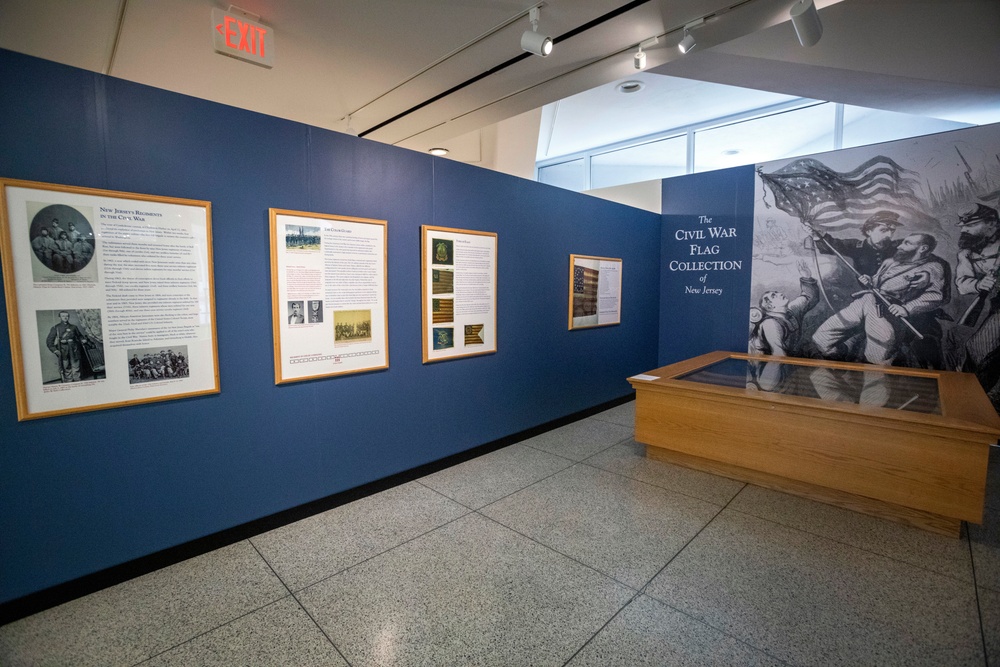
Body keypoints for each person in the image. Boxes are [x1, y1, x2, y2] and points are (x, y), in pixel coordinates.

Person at [812, 233, 948, 365]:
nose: (900, 246)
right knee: (822, 338)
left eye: (907, 243)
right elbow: (876, 281)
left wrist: (906, 309)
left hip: (887, 312)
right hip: (866, 301)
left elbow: (935, 296)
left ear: (923, 248)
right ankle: (841, 366)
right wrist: (868, 280)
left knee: (876, 359)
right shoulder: (891, 262)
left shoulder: (933, 268)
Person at [951, 203, 1000, 394]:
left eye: (970, 225)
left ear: (991, 223)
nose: (964, 229)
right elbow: (962, 284)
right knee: (977, 349)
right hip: (997, 305)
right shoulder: (967, 253)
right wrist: (979, 285)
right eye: (963, 225)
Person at [749, 260, 819, 356]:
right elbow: (778, 353)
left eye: (777, 292)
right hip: (759, 363)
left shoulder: (792, 310)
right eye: (774, 296)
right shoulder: (770, 324)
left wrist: (807, 277)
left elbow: (809, 298)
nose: (780, 294)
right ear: (770, 306)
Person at [810, 210, 903, 277]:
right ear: (869, 231)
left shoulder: (900, 246)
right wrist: (817, 236)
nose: (889, 235)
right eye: (884, 230)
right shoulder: (855, 246)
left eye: (892, 231)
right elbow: (831, 246)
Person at [45, 311, 87, 382]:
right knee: (66, 367)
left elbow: (80, 336)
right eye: (63, 316)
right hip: (63, 350)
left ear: (68, 317)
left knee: (76, 366)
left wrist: (83, 339)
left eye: (66, 316)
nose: (65, 317)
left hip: (74, 349)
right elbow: (49, 341)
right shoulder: (56, 328)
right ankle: (69, 382)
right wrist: (55, 350)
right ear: (60, 317)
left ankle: (78, 381)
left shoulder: (74, 327)